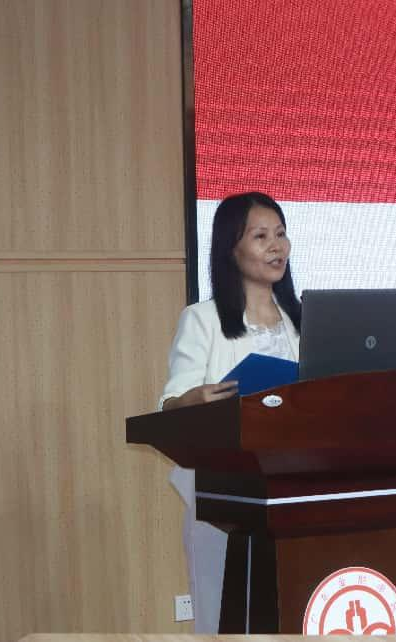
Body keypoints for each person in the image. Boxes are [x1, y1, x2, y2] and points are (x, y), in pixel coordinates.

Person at [158, 192, 301, 632]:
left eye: (280, 234)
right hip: (224, 500)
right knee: (226, 623)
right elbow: (169, 406)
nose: (276, 246)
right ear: (230, 249)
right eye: (261, 236)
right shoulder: (202, 320)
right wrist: (196, 401)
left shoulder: (304, 321)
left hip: (295, 497)